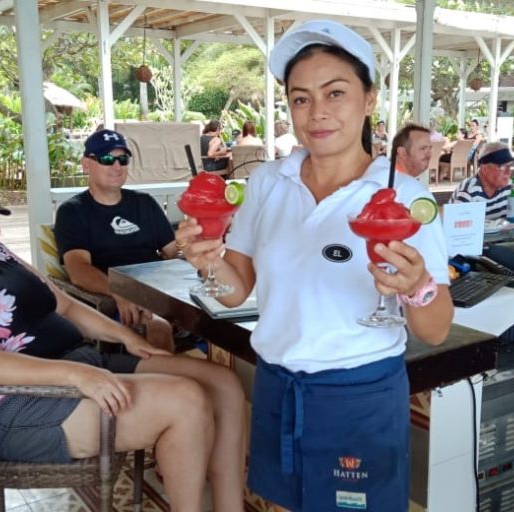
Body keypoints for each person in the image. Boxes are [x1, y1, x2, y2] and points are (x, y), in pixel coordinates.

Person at [174, 19, 452, 512]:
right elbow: (237, 292)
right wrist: (207, 263)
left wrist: (416, 286)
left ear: (369, 100)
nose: (317, 113)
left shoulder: (403, 197)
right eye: (301, 98)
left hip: (359, 398)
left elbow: (435, 329)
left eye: (335, 93)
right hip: (279, 386)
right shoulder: (267, 182)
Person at [0, 177, 246, 512]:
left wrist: (128, 339)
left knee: (222, 382)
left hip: (80, 364)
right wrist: (77, 376)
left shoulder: (0, 256)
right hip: (19, 408)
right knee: (185, 401)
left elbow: (64, 305)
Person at [54, 129, 178, 352]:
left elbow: (173, 251)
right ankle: (169, 383)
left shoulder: (144, 203)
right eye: (106, 158)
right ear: (86, 164)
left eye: (123, 159)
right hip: (118, 299)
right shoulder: (73, 212)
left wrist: (194, 246)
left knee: (222, 316)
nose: (117, 165)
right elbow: (78, 269)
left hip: (163, 288)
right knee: (159, 329)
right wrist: (119, 292)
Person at [449, 141, 514, 220]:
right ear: (485, 169)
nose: (508, 172)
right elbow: (457, 226)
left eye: (510, 166)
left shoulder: (510, 186)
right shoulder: (469, 191)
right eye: (503, 167)